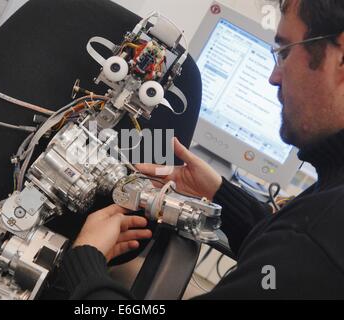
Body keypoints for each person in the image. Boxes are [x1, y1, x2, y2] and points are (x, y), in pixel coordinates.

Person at [59, 0, 344, 299]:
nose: (274, 77)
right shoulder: (325, 207)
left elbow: (303, 251)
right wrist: (219, 193)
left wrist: (85, 264)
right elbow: (289, 258)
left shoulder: (319, 237)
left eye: (284, 52)